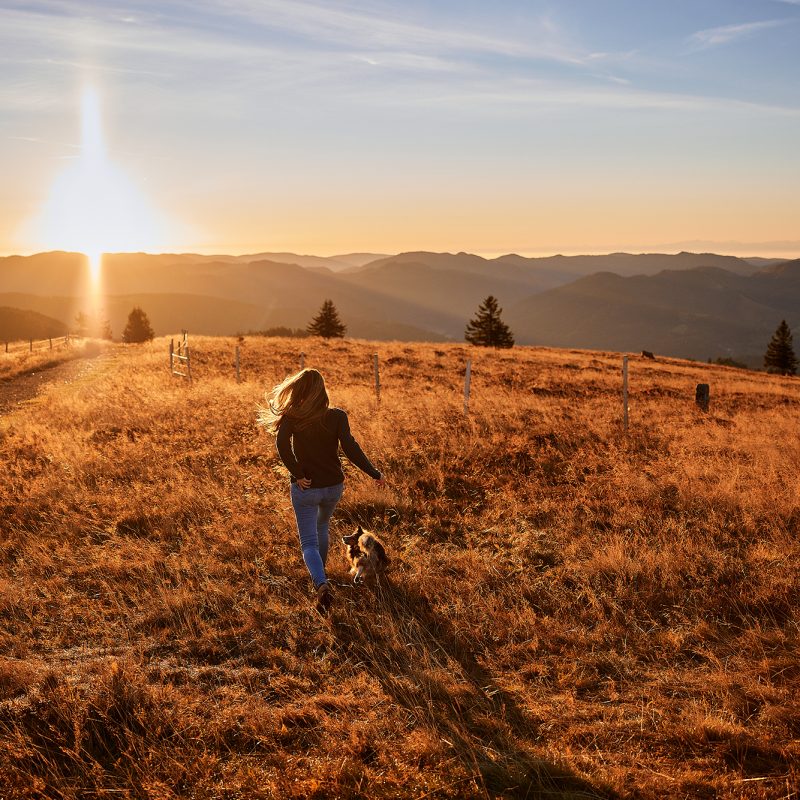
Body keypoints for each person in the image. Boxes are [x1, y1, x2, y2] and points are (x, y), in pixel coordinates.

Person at [259, 368, 385, 613]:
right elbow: (351, 448)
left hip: (307, 487)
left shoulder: (292, 417)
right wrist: (375, 473)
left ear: (300, 390)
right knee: (322, 527)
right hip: (333, 487)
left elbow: (282, 445)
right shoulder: (337, 416)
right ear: (322, 390)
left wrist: (297, 474)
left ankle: (321, 583)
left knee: (308, 542)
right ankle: (321, 571)